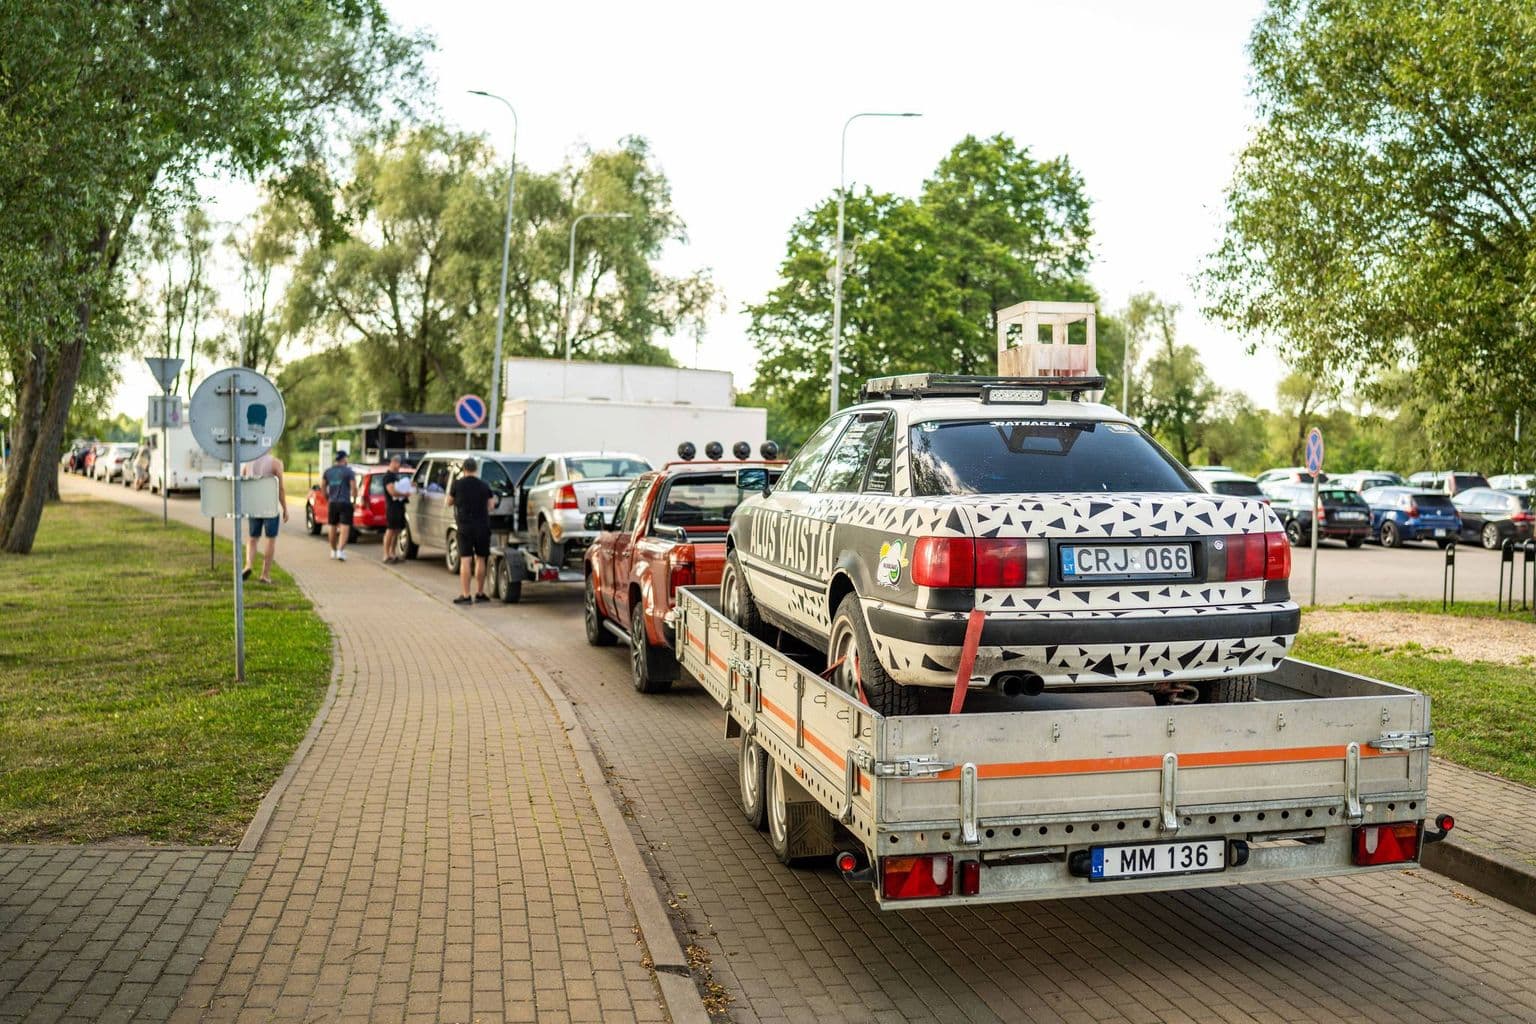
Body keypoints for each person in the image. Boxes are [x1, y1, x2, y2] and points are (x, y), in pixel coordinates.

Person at [446, 456, 496, 604]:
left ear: (464, 469)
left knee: (466, 560)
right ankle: (480, 593)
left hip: (464, 527)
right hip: (482, 527)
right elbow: (492, 505)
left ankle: (466, 595)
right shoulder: (484, 485)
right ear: (476, 469)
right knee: (481, 559)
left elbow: (448, 502)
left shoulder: (457, 484)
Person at [241, 451, 289, 584]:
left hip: (254, 506)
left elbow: (243, 484)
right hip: (270, 507)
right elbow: (281, 488)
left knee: (252, 538)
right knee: (270, 539)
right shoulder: (275, 463)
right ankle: (265, 574)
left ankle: (248, 565)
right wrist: (285, 508)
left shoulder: (248, 463)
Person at [322, 450, 359, 561]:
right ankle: (340, 550)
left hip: (332, 502)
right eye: (346, 458)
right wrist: (354, 501)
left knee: (332, 526)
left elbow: (323, 486)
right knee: (345, 527)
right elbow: (354, 487)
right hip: (345, 502)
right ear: (343, 459)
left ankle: (333, 550)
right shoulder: (348, 471)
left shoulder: (328, 471)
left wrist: (327, 498)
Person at [380, 454, 410, 564]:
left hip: (399, 506)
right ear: (394, 462)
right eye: (399, 464)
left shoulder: (395, 476)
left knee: (397, 530)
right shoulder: (388, 476)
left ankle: (392, 552)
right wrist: (404, 493)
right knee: (390, 530)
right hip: (392, 507)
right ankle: (386, 554)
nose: (399, 467)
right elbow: (391, 491)